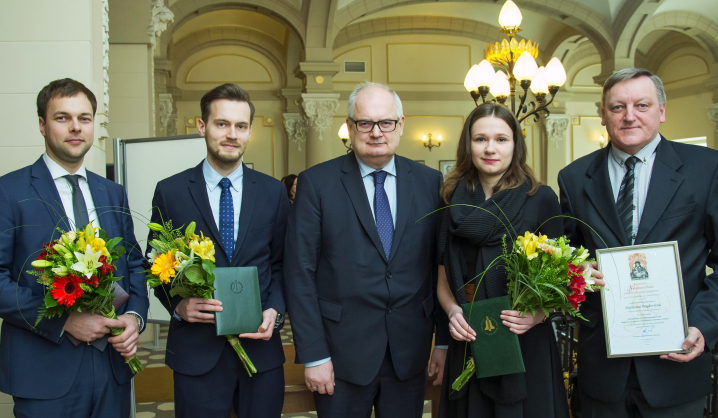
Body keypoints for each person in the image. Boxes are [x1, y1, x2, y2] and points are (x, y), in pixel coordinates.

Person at [559, 67, 718, 417]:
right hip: (602, 367)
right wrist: (577, 270)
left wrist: (703, 325)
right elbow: (567, 255)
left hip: (676, 362)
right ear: (602, 115)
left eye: (642, 105)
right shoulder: (573, 178)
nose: (629, 116)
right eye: (617, 107)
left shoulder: (707, 168)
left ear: (662, 110)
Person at [283, 81, 448, 418]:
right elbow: (300, 272)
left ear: (401, 125)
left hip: (410, 353)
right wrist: (314, 355)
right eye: (364, 123)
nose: (376, 132)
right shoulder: (317, 183)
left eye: (385, 122)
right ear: (349, 126)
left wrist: (443, 341)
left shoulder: (430, 183)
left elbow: (442, 267)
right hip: (340, 357)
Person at [0, 78, 148, 417]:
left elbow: (135, 266)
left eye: (84, 117)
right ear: (42, 124)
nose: (75, 127)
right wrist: (64, 321)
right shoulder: (9, 191)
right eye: (62, 117)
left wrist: (134, 318)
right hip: (44, 372)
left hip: (113, 369)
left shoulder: (112, 192)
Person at [148, 83, 289, 418]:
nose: (231, 134)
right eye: (221, 124)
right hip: (197, 353)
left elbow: (284, 264)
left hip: (261, 351)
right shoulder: (171, 191)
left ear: (250, 131)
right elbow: (155, 264)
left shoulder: (273, 192)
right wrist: (178, 305)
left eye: (240, 126)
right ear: (202, 126)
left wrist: (276, 311)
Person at [436, 103, 569, 418]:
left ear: (516, 144)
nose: (490, 148)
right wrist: (453, 311)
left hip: (525, 341)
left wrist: (537, 314)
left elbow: (563, 278)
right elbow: (441, 277)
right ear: (468, 145)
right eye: (480, 139)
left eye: (501, 139)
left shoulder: (541, 198)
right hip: (469, 336)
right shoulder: (449, 198)